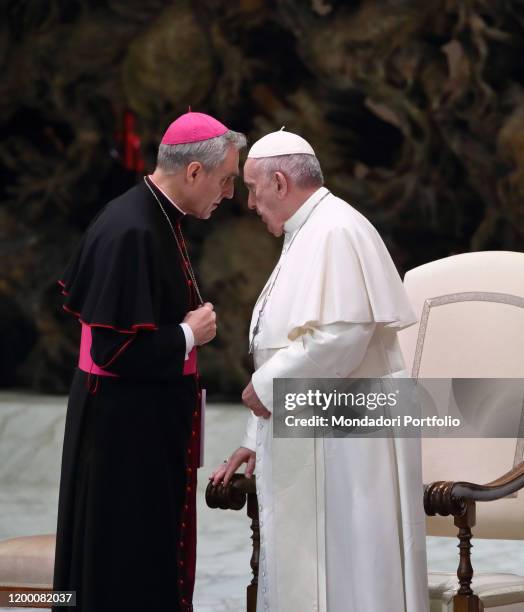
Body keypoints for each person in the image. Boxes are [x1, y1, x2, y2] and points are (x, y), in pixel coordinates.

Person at [211, 130, 429, 611]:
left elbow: (340, 336)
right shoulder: (309, 231)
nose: (249, 203)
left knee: (351, 573)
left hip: (351, 443)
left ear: (281, 181)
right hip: (320, 426)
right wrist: (254, 434)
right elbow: (284, 344)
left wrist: (265, 388)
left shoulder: (335, 230)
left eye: (253, 188)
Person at [53, 111, 246, 612]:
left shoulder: (155, 215)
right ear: (194, 172)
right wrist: (188, 334)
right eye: (225, 181)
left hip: (140, 425)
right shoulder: (132, 229)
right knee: (125, 562)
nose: (227, 194)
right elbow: (111, 350)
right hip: (123, 435)